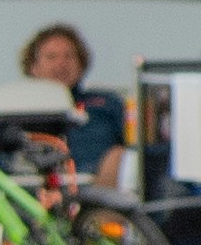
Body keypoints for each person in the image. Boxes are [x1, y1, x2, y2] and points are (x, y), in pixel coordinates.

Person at [9, 25, 123, 179]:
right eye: (51, 57)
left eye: (69, 56)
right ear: (33, 67)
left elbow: (138, 147)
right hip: (32, 190)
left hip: (99, 191)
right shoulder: (14, 109)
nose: (61, 64)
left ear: (81, 64)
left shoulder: (107, 103)